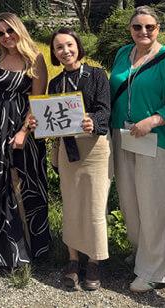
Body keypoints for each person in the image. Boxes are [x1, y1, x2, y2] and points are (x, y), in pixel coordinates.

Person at [109, 6, 165, 293]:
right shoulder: (122, 54)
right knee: (130, 201)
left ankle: (157, 271)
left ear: (158, 28)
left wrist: (152, 121)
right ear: (130, 29)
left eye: (149, 27)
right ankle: (143, 252)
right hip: (123, 136)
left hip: (156, 141)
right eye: (137, 27)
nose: (143, 32)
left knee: (155, 205)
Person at [0, 12, 50, 269]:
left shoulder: (35, 58)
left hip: (19, 130)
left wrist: (24, 132)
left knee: (22, 186)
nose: (6, 37)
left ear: (19, 30)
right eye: (0, 33)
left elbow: (37, 101)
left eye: (10, 31)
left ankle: (24, 250)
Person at [46, 28, 111, 291]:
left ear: (78, 46)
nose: (65, 51)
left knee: (95, 205)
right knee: (71, 204)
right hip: (68, 148)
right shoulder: (55, 83)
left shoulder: (96, 75)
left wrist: (92, 121)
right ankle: (73, 260)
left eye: (69, 45)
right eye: (59, 47)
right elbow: (51, 118)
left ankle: (94, 260)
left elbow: (105, 110)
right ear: (54, 53)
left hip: (94, 148)